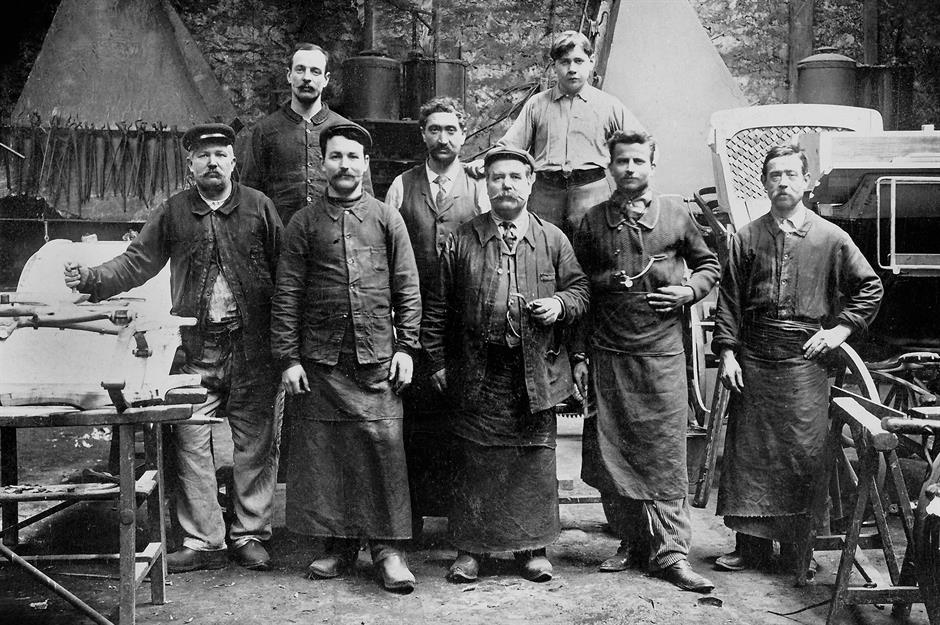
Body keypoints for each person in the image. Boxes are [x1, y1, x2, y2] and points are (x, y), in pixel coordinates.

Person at [64, 124, 282, 573]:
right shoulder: (174, 211)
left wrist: (287, 342)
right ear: (190, 165)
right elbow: (136, 262)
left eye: (220, 154)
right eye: (203, 156)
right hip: (196, 349)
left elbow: (287, 273)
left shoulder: (259, 207)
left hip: (253, 348)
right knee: (189, 439)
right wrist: (90, 278)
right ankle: (205, 541)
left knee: (257, 443)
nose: (213, 162)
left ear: (234, 161)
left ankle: (249, 534)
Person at [421, 145, 590, 583]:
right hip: (478, 369)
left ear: (530, 184)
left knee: (532, 461)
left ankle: (532, 549)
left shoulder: (553, 239)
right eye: (497, 177)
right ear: (486, 185)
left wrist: (559, 303)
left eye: (516, 177)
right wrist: (437, 362)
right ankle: (471, 551)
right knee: (474, 459)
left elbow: (581, 291)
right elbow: (437, 306)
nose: (506, 185)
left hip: (535, 371)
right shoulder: (462, 238)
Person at [711, 145, 883, 572]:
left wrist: (839, 330)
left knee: (803, 455)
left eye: (791, 174)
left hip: (806, 363)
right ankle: (750, 547)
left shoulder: (831, 237)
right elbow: (729, 301)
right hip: (755, 359)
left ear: (806, 182)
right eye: (775, 175)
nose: (783, 182)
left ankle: (797, 551)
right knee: (750, 453)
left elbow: (870, 288)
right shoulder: (746, 237)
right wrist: (728, 352)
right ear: (764, 183)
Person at [270, 123, 422, 593]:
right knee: (328, 454)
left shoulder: (387, 218)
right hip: (322, 362)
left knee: (383, 451)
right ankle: (338, 545)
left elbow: (408, 288)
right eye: (336, 156)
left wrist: (406, 348)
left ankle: (387, 550)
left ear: (366, 164)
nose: (345, 165)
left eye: (353, 157)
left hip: (377, 359)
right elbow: (287, 293)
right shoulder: (303, 223)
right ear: (323, 164)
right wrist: (288, 359)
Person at [571, 130, 719, 593]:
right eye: (622, 161)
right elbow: (577, 289)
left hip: (661, 356)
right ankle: (632, 543)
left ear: (652, 165)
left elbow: (710, 266)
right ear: (610, 167)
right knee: (613, 452)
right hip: (609, 354)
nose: (630, 168)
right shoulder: (592, 221)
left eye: (638, 161)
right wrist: (579, 354)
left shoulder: (676, 214)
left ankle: (672, 554)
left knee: (664, 454)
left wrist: (689, 291)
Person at [384, 96, 488, 532]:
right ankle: (412, 521)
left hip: (464, 322)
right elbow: (386, 249)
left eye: (451, 130)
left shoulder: (479, 185)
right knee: (415, 422)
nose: (443, 138)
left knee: (461, 421)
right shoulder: (401, 185)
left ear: (463, 135)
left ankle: (462, 522)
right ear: (422, 134)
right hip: (413, 318)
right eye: (434, 130)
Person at [492, 30, 645, 240]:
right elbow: (509, 148)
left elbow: (642, 144)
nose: (572, 69)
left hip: (592, 192)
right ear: (554, 65)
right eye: (564, 62)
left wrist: (635, 190)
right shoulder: (537, 105)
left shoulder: (608, 105)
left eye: (579, 61)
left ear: (591, 61)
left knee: (592, 251)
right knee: (542, 248)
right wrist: (484, 164)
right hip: (545, 194)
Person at [239, 42, 373, 226]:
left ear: (326, 79)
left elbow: (365, 199)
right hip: (281, 238)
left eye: (315, 71)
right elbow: (248, 197)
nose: (307, 78)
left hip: (334, 236)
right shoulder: (265, 131)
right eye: (300, 70)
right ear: (289, 75)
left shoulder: (347, 130)